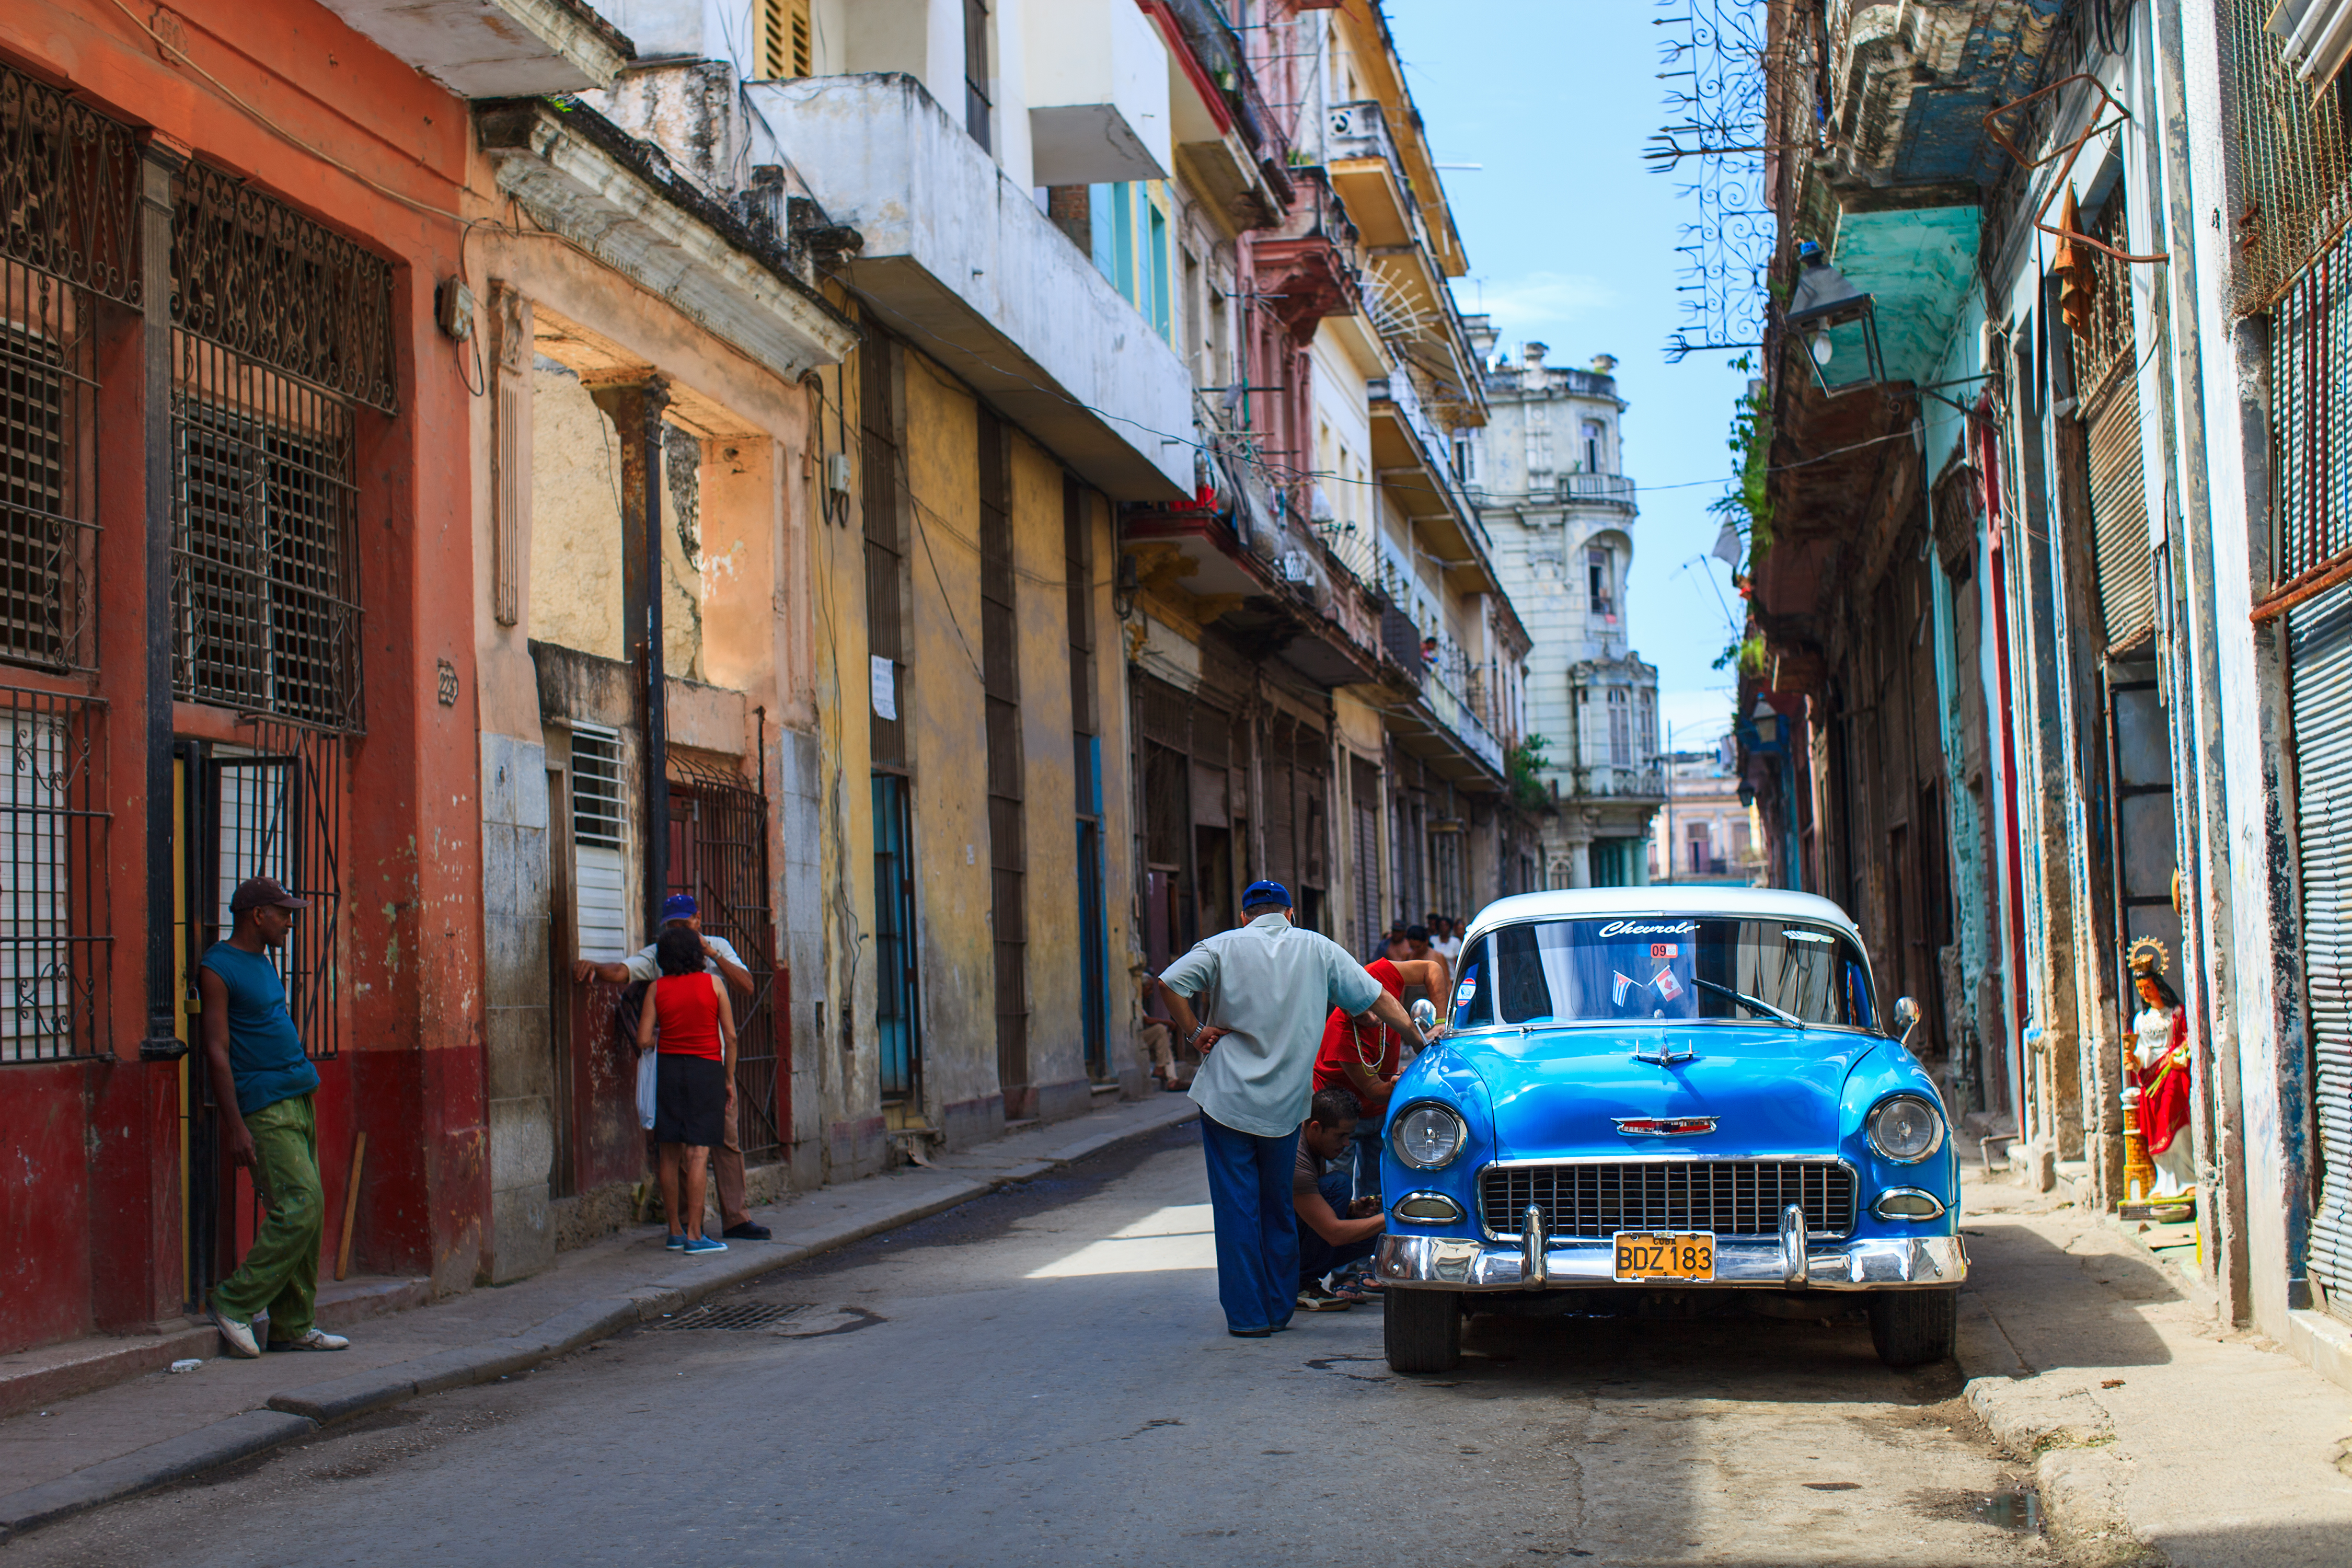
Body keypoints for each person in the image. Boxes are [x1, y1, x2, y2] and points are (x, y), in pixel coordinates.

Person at [1152, 881, 1427, 1339]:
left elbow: (1168, 983)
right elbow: (1377, 997)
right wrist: (1421, 1042)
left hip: (1225, 1099)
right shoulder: (1318, 949)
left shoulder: (1220, 946)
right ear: (1291, 913)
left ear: (1245, 916)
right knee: (1278, 1203)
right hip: (1284, 1107)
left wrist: (1195, 1031)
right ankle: (1279, 1309)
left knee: (1237, 1206)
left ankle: (1247, 1317)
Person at [199, 877, 347, 1358]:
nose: (291, 920)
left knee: (311, 1207)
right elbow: (217, 1052)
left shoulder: (261, 961)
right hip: (263, 1106)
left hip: (298, 1096)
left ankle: (292, 1324)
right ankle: (234, 1302)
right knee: (300, 1205)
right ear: (257, 915)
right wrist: (236, 1125)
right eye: (283, 912)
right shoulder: (218, 968)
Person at [576, 894, 770, 1241]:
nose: (679, 931)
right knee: (684, 1150)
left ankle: (732, 1219)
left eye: (685, 924)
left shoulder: (718, 948)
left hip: (705, 1062)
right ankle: (687, 1225)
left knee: (724, 1142)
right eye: (673, 926)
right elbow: (623, 972)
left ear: (698, 919)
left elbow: (747, 985)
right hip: (703, 1066)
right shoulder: (658, 954)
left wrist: (711, 955)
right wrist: (594, 967)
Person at [1312, 944, 1450, 1197]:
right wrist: (1405, 1079)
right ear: (1343, 1008)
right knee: (1338, 1185)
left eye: (1372, 1004)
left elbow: (1432, 969)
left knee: (1378, 1188)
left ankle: (1370, 1229)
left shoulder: (1381, 972)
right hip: (1341, 1114)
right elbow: (1375, 1090)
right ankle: (1341, 1230)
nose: (1373, 1018)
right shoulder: (1342, 1035)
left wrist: (1441, 1022)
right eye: (1361, 1014)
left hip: (1381, 1111)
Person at [634, 925, 739, 1254]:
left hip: (669, 1070)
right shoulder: (714, 984)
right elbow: (731, 1038)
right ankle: (696, 1235)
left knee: (669, 1153)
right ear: (697, 954)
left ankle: (675, 1231)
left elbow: (643, 1040)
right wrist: (729, 1079)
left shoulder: (656, 989)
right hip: (706, 1070)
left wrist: (663, 1038)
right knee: (698, 1154)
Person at [1294, 1089, 1386, 1310]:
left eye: (1349, 1136)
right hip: (1275, 1251)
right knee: (1339, 1184)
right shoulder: (1297, 1160)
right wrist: (1394, 1215)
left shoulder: (1315, 1145)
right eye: (1341, 1135)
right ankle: (1300, 1284)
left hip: (1296, 1234)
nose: (1346, 1143)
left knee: (1375, 1236)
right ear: (1316, 1127)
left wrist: (1353, 1210)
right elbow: (1333, 1234)